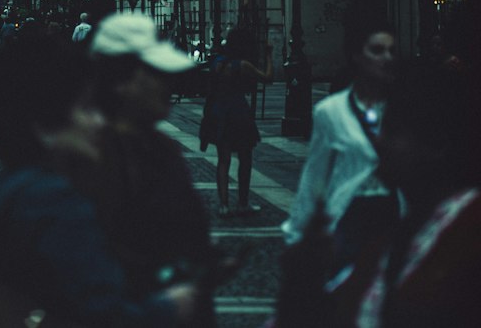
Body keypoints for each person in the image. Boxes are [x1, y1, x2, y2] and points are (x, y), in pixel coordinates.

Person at [0, 28, 199, 325]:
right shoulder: (53, 201)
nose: (99, 121)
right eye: (86, 108)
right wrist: (171, 307)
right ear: (43, 122)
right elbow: (104, 317)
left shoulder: (9, 187)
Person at [275, 64, 481, 328]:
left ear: (437, 143)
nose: (378, 142)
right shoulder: (397, 234)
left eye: (393, 131)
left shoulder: (465, 235)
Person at [91, 13, 221, 311]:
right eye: (156, 74)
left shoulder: (163, 148)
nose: (168, 84)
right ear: (120, 81)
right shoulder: (94, 159)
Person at [283, 21, 398, 271]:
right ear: (357, 56)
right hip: (349, 221)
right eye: (377, 51)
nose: (387, 58)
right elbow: (315, 176)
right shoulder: (331, 112)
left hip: (393, 220)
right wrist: (297, 234)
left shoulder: (403, 109)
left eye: (392, 51)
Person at [199, 27, 272, 216]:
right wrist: (270, 56)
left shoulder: (218, 63)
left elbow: (210, 89)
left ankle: (223, 205)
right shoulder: (243, 65)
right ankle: (242, 202)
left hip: (219, 113)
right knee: (245, 159)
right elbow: (267, 78)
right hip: (239, 114)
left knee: (223, 160)